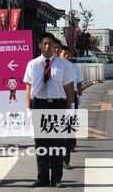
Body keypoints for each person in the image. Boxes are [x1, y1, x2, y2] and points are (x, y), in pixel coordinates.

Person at [24, 33, 75, 188]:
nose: (47, 47)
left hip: (58, 105)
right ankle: (43, 178)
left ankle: (57, 178)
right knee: (41, 144)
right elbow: (28, 88)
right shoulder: (32, 64)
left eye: (50, 44)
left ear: (55, 46)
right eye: (44, 43)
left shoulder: (63, 65)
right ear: (40, 45)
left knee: (57, 143)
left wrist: (70, 108)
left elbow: (69, 88)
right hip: (39, 104)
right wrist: (28, 109)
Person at [59, 45, 82, 168]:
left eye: (68, 54)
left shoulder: (72, 67)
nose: (67, 56)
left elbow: (77, 82)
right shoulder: (50, 65)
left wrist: (78, 96)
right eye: (64, 54)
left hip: (70, 96)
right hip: (56, 98)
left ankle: (65, 158)